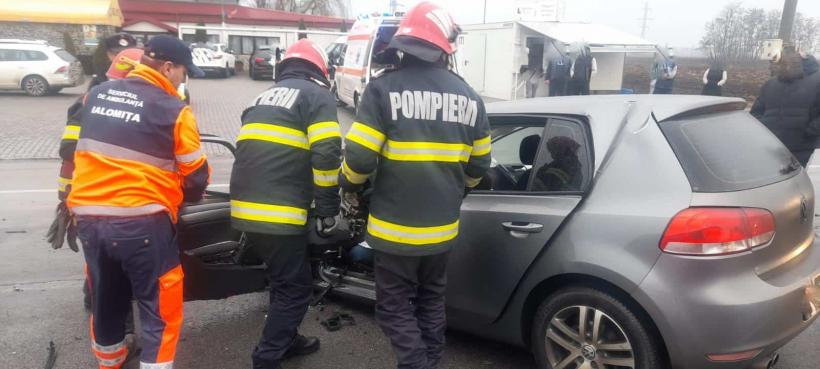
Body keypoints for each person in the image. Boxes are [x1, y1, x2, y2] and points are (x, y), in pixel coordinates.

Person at [339, 3, 491, 368]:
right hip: (441, 232)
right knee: (430, 302)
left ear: (403, 47)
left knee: (394, 309)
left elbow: (358, 162)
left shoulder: (382, 90)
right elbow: (480, 166)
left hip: (394, 232)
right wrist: (457, 190)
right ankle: (430, 362)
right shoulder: (471, 98)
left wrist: (349, 185)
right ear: (444, 49)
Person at [68, 35, 209, 369]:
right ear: (168, 67)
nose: (183, 79)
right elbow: (197, 174)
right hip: (142, 221)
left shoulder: (96, 94)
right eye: (183, 72)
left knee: (105, 295)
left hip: (88, 218)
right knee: (160, 304)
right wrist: (181, 201)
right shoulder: (174, 109)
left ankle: (110, 360)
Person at [229, 38, 341, 369]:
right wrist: (327, 209)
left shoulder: (260, 97)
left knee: (283, 279)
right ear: (320, 70)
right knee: (295, 288)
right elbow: (326, 153)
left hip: (244, 206)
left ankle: (287, 338)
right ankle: (267, 358)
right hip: (279, 211)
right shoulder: (317, 96)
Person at [46, 48, 147, 364]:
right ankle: (121, 334)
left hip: (87, 194)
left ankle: (97, 302)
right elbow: (69, 147)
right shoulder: (91, 102)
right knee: (113, 272)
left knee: (101, 266)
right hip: (91, 195)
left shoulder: (99, 100)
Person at [751, 46, 820, 167]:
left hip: (788, 144)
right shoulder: (772, 83)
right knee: (786, 180)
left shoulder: (771, 82)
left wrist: (811, 130)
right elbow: (756, 112)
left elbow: (755, 113)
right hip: (786, 144)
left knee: (785, 180)